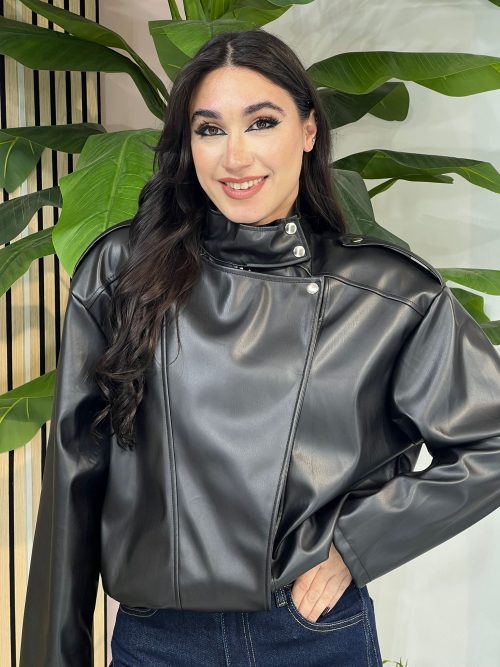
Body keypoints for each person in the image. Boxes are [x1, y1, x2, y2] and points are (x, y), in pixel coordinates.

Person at [19, 27, 500, 667]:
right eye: (209, 129)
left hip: (309, 633)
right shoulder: (124, 271)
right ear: (188, 145)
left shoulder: (386, 294)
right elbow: (74, 477)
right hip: (157, 640)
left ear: (309, 129)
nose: (235, 156)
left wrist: (354, 546)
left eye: (262, 122)